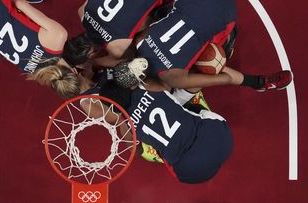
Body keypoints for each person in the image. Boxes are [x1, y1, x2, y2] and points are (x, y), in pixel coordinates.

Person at [84, 60, 233, 184]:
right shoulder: (148, 86)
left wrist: (122, 121)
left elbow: (134, 149)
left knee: (153, 149)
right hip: (221, 139)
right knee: (181, 92)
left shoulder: (126, 125)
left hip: (190, 172)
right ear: (129, 86)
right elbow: (166, 79)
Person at [133, 0, 292, 91]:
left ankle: (259, 82)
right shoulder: (138, 40)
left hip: (227, 16)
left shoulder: (173, 78)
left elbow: (225, 78)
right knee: (160, 17)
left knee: (207, 66)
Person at [64, 0, 189, 67]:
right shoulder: (82, 11)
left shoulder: (116, 47)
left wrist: (92, 62)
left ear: (90, 54)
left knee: (149, 19)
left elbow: (117, 60)